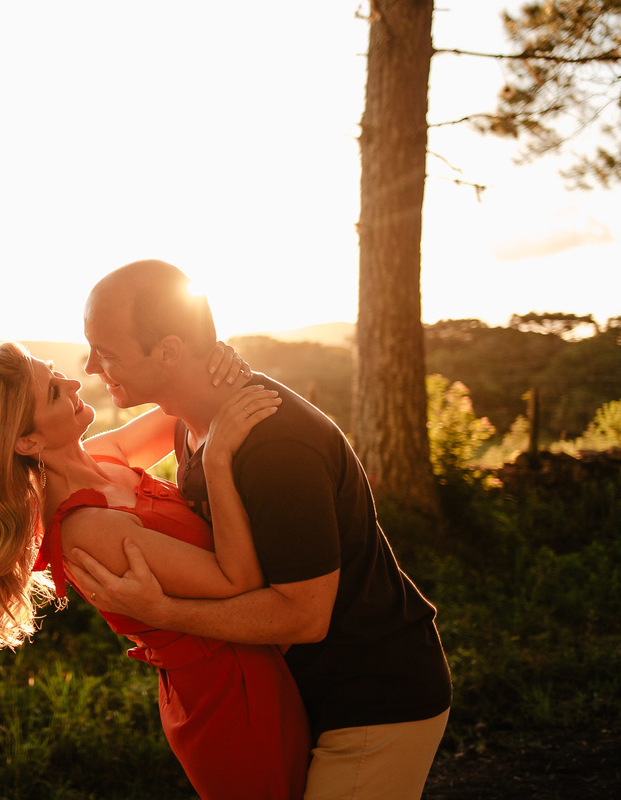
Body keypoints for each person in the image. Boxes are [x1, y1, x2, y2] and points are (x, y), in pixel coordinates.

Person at [68, 259, 453, 800]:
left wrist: (165, 612)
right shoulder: (187, 415)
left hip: (372, 696)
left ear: (169, 351)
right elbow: (81, 463)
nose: (90, 367)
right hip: (302, 695)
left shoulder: (276, 449)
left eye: (105, 352)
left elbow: (305, 616)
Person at [0, 340, 311, 799]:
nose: (74, 383)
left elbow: (188, 406)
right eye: (54, 391)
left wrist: (214, 360)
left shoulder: (101, 457)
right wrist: (216, 461)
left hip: (262, 665)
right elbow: (237, 581)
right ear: (27, 441)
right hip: (232, 705)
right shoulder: (85, 529)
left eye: (55, 371)